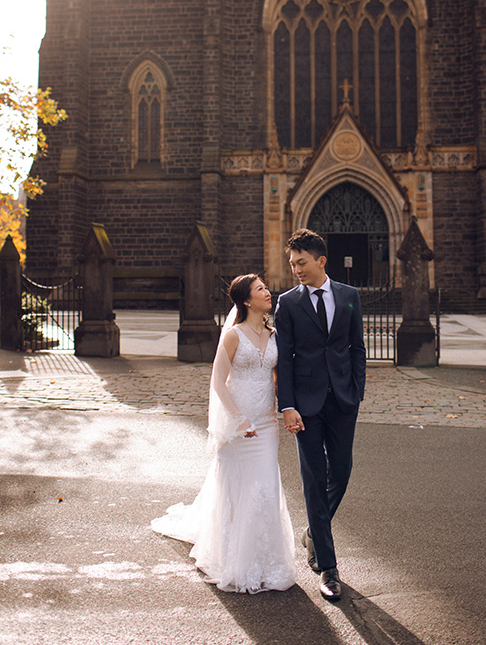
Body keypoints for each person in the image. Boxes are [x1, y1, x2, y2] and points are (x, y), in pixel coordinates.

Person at [151, 274, 296, 594]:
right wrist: (239, 420)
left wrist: (288, 407)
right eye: (260, 289)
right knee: (236, 491)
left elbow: (278, 377)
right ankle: (236, 558)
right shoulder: (233, 335)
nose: (268, 292)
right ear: (246, 300)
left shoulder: (274, 335)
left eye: (265, 287)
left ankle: (268, 560)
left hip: (266, 424)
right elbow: (218, 383)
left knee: (266, 488)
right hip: (238, 425)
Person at [274, 229, 366, 603]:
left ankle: (314, 530)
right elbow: (286, 358)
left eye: (301, 262)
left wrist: (356, 391)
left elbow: (356, 346)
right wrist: (288, 405)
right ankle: (328, 567)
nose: (296, 269)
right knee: (314, 479)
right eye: (292, 263)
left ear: (321, 261)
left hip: (343, 400)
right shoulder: (288, 303)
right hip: (306, 405)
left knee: (341, 472)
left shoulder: (349, 296)